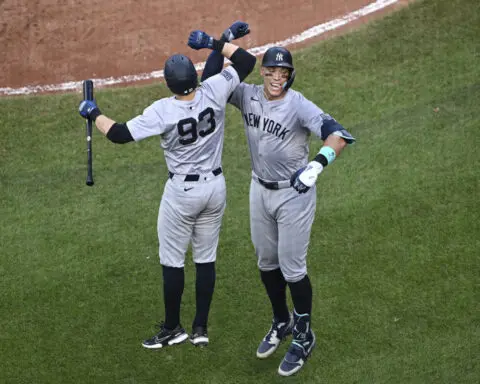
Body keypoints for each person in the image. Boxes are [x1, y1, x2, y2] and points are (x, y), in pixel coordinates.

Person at [78, 23, 254, 349]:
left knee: (173, 261)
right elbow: (245, 64)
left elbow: (118, 133)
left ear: (169, 83)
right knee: (205, 259)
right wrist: (220, 41)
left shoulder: (162, 111)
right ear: (194, 77)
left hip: (182, 195)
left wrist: (93, 112)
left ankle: (173, 328)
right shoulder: (215, 90)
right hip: (215, 188)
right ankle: (200, 326)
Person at [200, 35, 355, 375]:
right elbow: (209, 83)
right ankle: (281, 321)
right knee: (267, 263)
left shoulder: (298, 104)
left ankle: (303, 335)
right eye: (270, 70)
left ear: (289, 76)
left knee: (292, 267)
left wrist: (317, 165)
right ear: (263, 72)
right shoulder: (248, 94)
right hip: (259, 189)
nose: (274, 77)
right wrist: (218, 44)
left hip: (293, 194)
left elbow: (338, 134)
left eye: (281, 72)